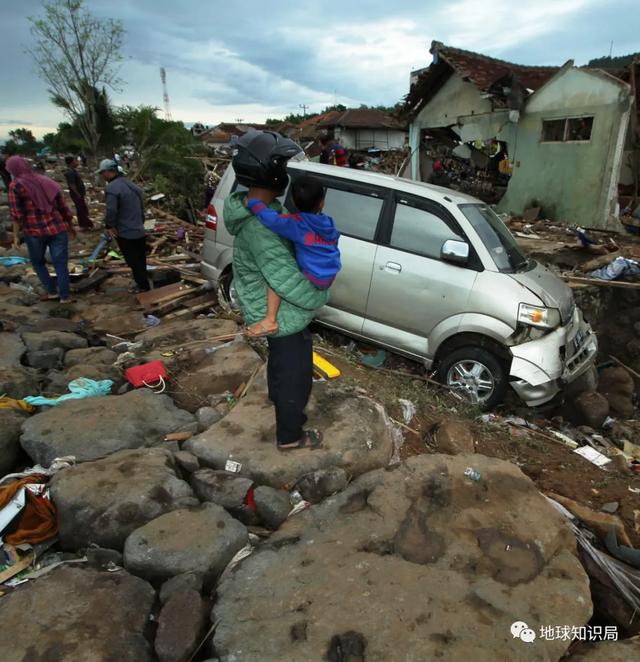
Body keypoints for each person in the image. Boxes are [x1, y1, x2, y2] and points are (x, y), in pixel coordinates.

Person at [225, 130, 329, 451]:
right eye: (281, 166)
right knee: (294, 372)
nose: (285, 173)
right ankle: (290, 435)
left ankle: (279, 402)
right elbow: (283, 278)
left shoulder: (259, 208)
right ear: (270, 172)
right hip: (278, 313)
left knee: (282, 364)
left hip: (269, 304)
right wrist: (319, 295)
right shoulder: (260, 229)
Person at [245, 175, 340, 337]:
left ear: (294, 202)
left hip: (313, 276)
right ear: (322, 203)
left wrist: (253, 202)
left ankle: (270, 320)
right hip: (329, 276)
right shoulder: (328, 223)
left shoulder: (296, 223)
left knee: (275, 275)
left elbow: (271, 219)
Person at [6, 156, 76, 303]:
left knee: (38, 262)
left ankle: (52, 292)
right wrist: (71, 226)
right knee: (60, 263)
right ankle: (65, 296)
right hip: (57, 228)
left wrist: (16, 236)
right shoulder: (47, 181)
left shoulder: (15, 186)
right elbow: (63, 207)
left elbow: (16, 214)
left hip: (34, 232)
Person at [96, 158, 150, 292]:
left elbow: (111, 210)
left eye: (102, 173)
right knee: (140, 259)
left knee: (133, 261)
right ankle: (144, 283)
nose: (102, 176)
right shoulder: (131, 184)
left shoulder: (112, 188)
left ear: (108, 172)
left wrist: (109, 225)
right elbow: (141, 207)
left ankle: (143, 286)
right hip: (139, 230)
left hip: (126, 232)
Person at [64, 155, 93, 230]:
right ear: (71, 162)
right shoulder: (70, 172)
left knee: (82, 209)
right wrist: (78, 194)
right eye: (75, 161)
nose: (77, 162)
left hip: (79, 194)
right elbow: (72, 185)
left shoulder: (73, 171)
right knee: (81, 210)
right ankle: (87, 225)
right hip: (77, 195)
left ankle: (84, 225)